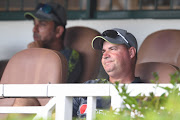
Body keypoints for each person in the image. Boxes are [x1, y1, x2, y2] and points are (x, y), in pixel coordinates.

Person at [73, 28, 143, 118]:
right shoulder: (89, 86)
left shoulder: (146, 94)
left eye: (112, 49)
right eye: (103, 51)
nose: (105, 55)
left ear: (131, 53)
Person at [25, 2, 82, 83]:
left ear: (58, 31)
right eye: (34, 24)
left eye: (42, 24)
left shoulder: (69, 56)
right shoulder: (31, 51)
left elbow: (51, 85)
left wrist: (38, 55)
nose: (34, 29)